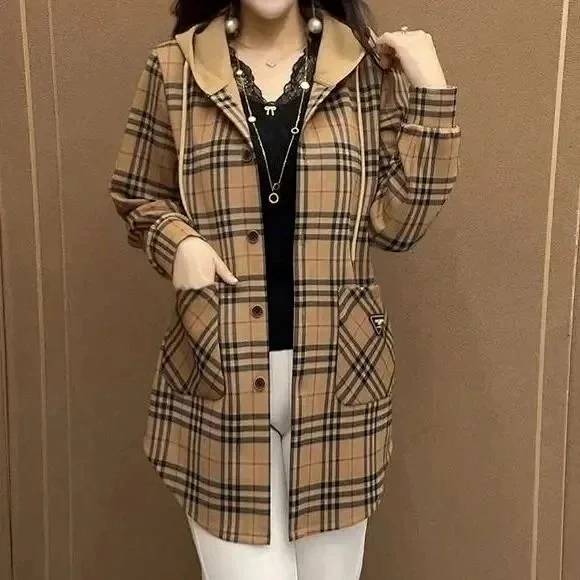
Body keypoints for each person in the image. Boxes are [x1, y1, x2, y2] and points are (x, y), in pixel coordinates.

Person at [108, 0, 461, 578]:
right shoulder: (174, 68)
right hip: (218, 384)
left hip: (341, 386)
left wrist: (431, 92)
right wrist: (177, 242)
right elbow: (138, 194)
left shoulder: (363, 69)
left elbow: (398, 227)